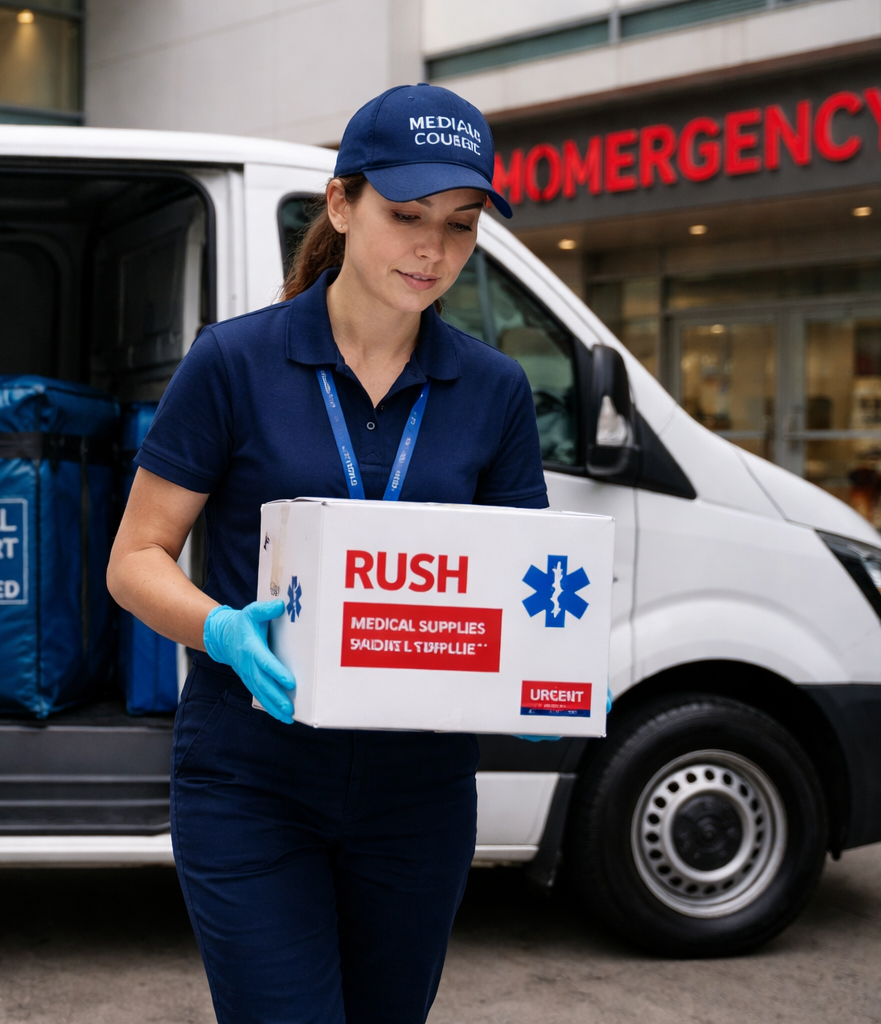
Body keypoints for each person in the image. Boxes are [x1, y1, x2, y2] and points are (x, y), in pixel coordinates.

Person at [107, 84, 546, 1024]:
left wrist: (543, 679)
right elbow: (135, 557)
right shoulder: (234, 362)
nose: (433, 249)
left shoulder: (495, 390)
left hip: (419, 790)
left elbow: (522, 583)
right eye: (407, 215)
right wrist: (221, 630)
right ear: (341, 205)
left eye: (461, 225)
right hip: (252, 773)